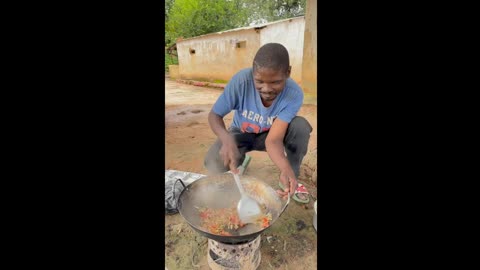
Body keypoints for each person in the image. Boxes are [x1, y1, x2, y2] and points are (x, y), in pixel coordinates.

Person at [204, 43, 312, 203]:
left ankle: (291, 177)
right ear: (252, 73)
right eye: (259, 81)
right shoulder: (241, 82)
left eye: (275, 82)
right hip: (241, 133)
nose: (266, 89)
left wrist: (285, 167)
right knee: (213, 160)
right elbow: (214, 115)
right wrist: (226, 139)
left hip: (269, 136)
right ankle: (240, 159)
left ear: (288, 73)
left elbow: (273, 140)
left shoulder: (294, 94)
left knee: (300, 127)